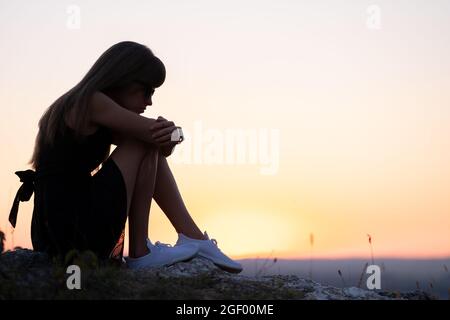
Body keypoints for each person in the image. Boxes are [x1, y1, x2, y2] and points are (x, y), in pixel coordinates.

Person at [9, 41, 242, 273]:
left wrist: (172, 137)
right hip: (72, 229)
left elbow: (157, 149)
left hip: (59, 226)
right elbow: (153, 136)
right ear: (122, 79)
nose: (149, 101)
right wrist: (174, 134)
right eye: (146, 91)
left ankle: (191, 237)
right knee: (143, 139)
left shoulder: (89, 107)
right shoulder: (92, 102)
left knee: (145, 141)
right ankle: (143, 251)